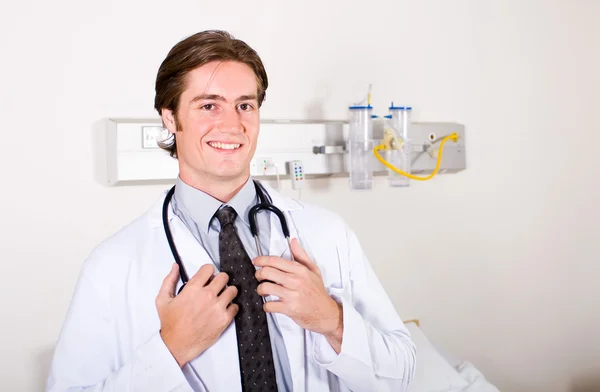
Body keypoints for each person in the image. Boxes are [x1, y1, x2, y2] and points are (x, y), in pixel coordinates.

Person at [46, 30, 416, 392]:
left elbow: (402, 375)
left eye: (245, 105)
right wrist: (171, 348)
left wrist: (331, 320)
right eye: (209, 105)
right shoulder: (113, 264)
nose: (232, 124)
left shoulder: (327, 234)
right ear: (170, 119)